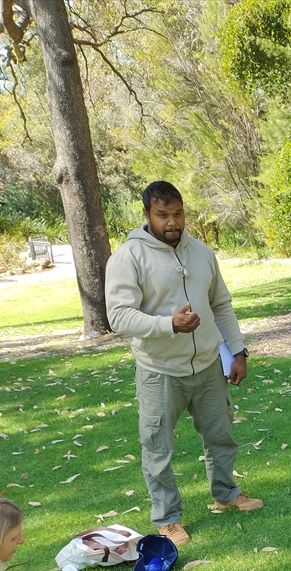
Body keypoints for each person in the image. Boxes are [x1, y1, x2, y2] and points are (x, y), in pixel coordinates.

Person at [105, 180, 262, 547]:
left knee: (221, 435)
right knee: (158, 447)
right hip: (160, 370)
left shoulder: (202, 253)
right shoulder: (128, 258)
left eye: (177, 214)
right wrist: (168, 325)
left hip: (208, 364)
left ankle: (225, 493)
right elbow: (119, 316)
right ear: (146, 215)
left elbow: (220, 304)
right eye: (162, 215)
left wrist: (237, 351)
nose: (172, 222)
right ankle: (168, 518)